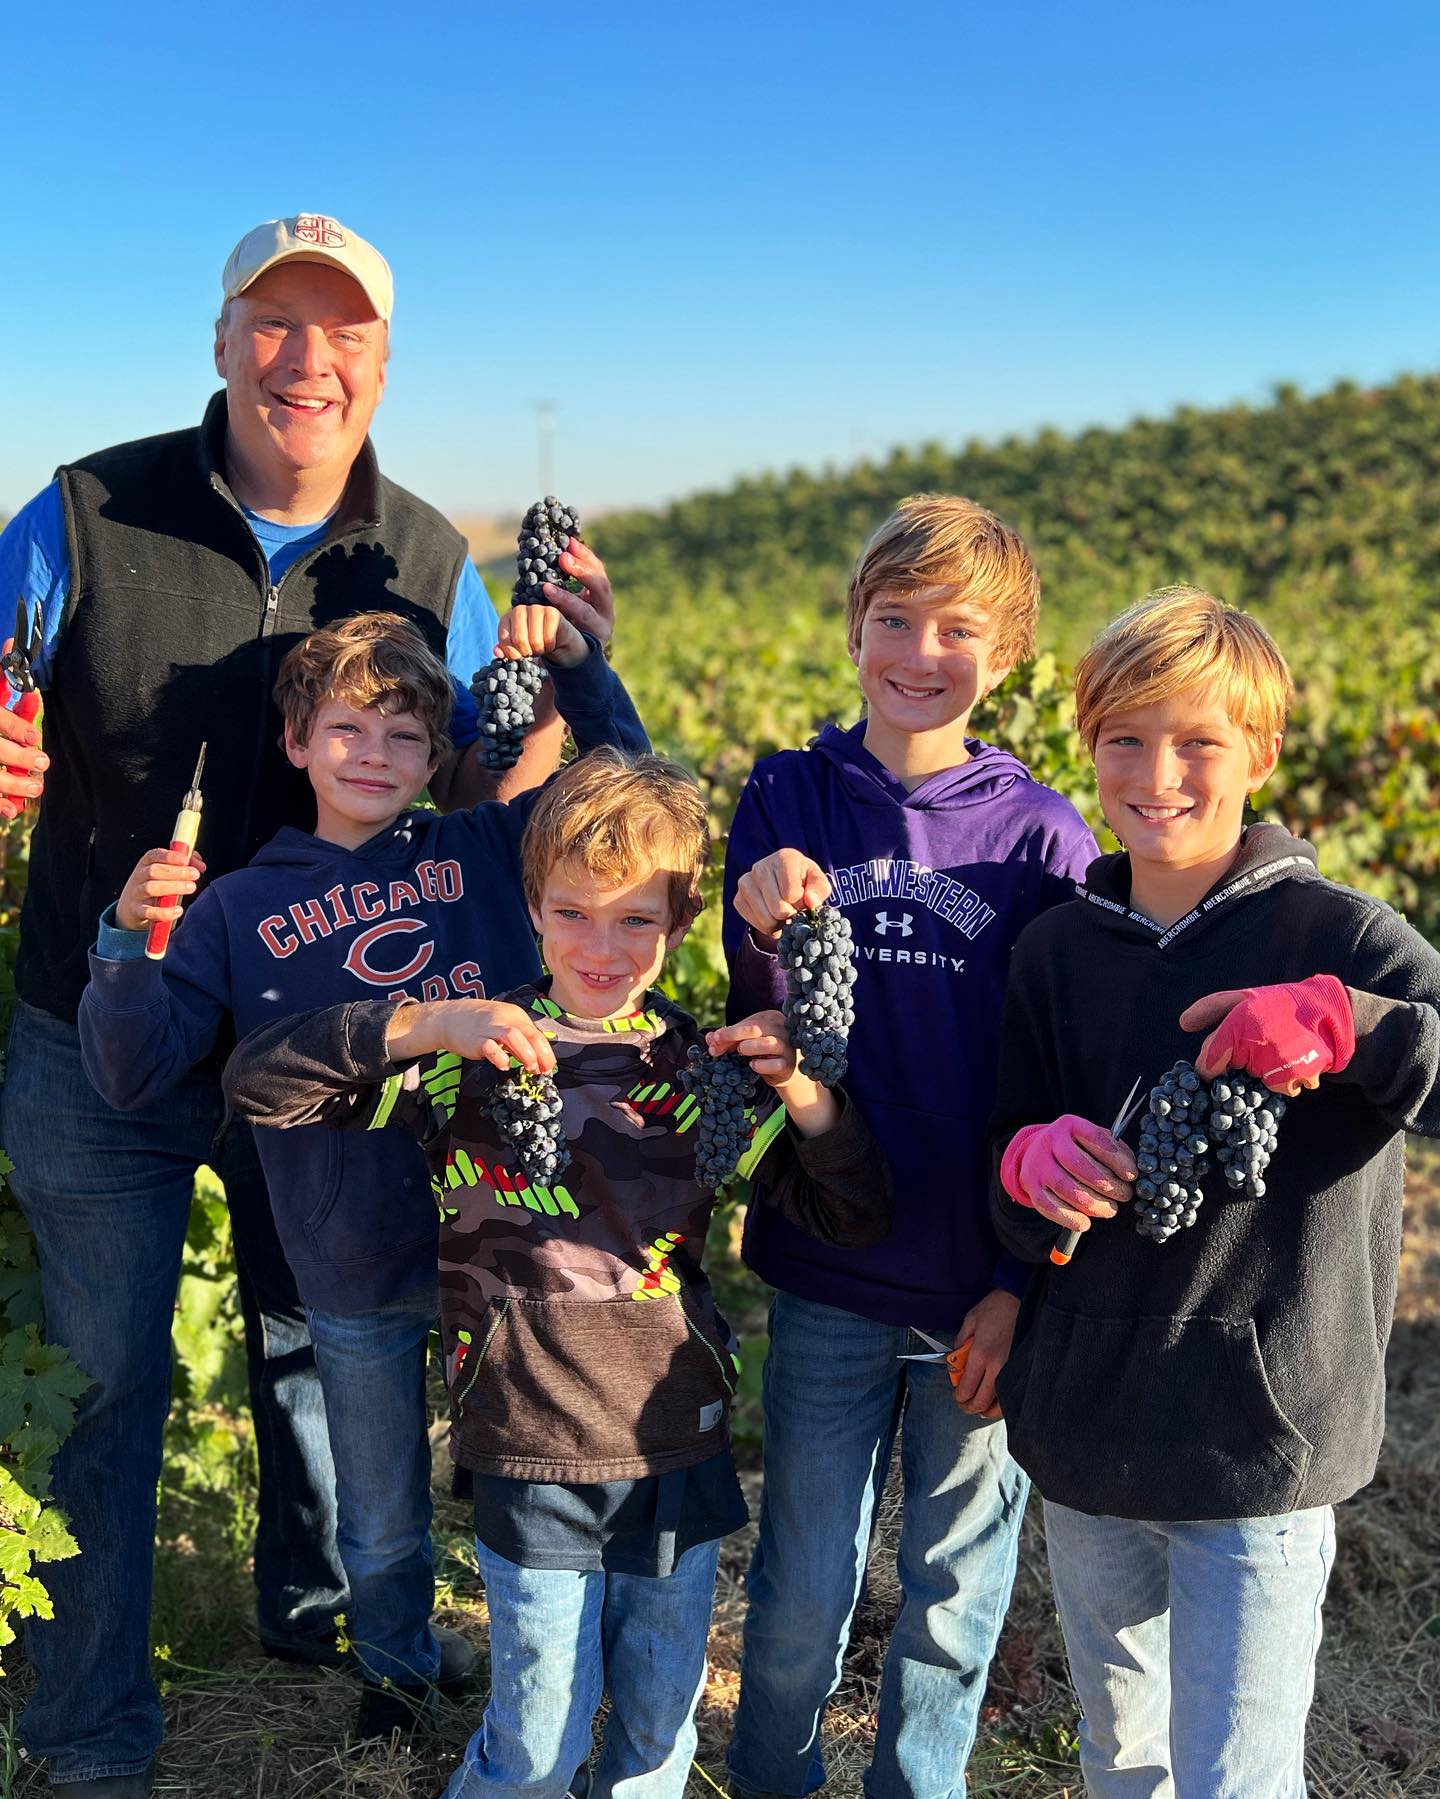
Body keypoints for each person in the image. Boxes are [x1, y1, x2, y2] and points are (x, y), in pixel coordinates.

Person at [0, 213, 614, 1796]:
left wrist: (567, 698)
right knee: (107, 1385)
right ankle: (87, 1739)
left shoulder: (427, 556)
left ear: (382, 367)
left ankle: (313, 1606)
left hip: (338, 1058)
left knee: (309, 1338)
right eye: (274, 322)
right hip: (107, 1028)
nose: (306, 358)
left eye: (342, 333)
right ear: (221, 341)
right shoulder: (82, 508)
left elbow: (491, 777)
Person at [221, 746, 894, 1799]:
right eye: (574, 911)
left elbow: (851, 1213)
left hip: (676, 1443)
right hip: (529, 1439)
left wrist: (806, 1092)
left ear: (678, 928)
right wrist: (424, 1021)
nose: (603, 943)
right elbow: (262, 1086)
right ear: (532, 903)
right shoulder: (471, 1057)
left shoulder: (704, 1069)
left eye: (637, 919)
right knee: (537, 1734)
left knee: (657, 1735)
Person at [77, 604, 646, 1740]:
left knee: (533, 1479)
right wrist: (122, 937)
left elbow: (627, 785)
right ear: (296, 743)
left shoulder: (483, 849)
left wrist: (584, 668)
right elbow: (133, 1071)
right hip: (348, 1256)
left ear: (439, 757)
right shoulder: (235, 903)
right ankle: (396, 1671)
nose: (374, 756)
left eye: (403, 736)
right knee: (379, 1510)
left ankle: (547, 1674)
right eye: (347, 729)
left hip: (512, 1244)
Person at [988, 585, 1440, 1796]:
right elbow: (1004, 1164)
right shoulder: (1055, 951)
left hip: (1259, 1439)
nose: (1159, 772)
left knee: (1236, 1775)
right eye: (1126, 737)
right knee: (1121, 1758)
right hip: (1087, 1432)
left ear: (1263, 751)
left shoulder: (1342, 935)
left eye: (1200, 741)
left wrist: (1358, 1025)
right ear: (1088, 744)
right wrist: (1024, 1165)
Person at [721, 495, 1098, 1798]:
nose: (918, 650)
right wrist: (762, 910)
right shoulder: (788, 794)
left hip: (978, 1289)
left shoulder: (1046, 839)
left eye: (957, 627)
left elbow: (1072, 1080)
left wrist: (1023, 1279)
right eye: (894, 618)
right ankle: (773, 1776)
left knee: (952, 1596)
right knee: (799, 1587)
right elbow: (757, 1019)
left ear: (1006, 655)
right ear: (853, 628)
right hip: (829, 1263)